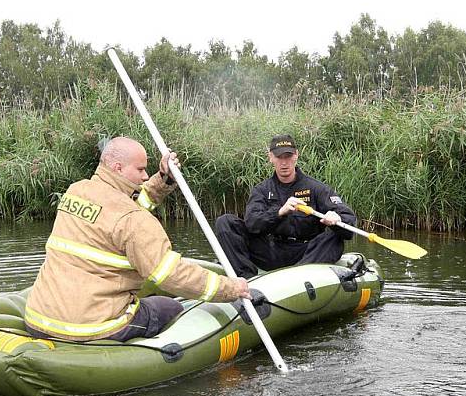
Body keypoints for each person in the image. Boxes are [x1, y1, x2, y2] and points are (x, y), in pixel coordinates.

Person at [24, 136, 251, 342]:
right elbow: (171, 276)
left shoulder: (76, 191)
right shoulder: (135, 219)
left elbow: (120, 211)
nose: (145, 175)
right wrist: (231, 288)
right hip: (93, 327)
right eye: (141, 169)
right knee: (168, 307)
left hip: (39, 319)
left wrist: (163, 179)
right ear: (118, 167)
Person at [215, 134, 356, 278]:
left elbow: (349, 223)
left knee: (335, 235)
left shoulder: (316, 188)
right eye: (279, 157)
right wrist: (280, 212)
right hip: (271, 251)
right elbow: (252, 223)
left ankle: (300, 277)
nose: (284, 163)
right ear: (271, 157)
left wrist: (337, 219)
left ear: (296, 156)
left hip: (307, 253)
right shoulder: (262, 190)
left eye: (288, 156)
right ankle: (246, 280)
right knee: (225, 222)